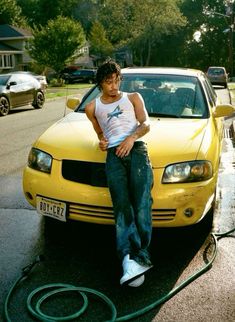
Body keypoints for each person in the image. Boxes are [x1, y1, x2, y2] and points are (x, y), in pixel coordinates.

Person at [85, 60, 153, 287]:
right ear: (100, 84)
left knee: (142, 203)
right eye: (108, 82)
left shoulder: (133, 97)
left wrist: (131, 138)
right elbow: (100, 136)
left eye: (116, 81)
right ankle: (127, 257)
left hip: (136, 151)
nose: (113, 86)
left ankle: (141, 254)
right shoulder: (92, 108)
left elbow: (146, 124)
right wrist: (103, 143)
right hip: (114, 156)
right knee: (122, 206)